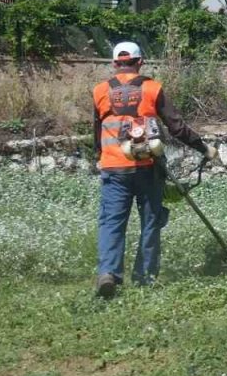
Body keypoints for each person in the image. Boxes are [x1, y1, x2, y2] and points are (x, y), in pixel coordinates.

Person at [92, 41, 218, 298]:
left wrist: (99, 156)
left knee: (112, 222)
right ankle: (145, 279)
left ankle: (108, 273)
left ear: (114, 63)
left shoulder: (100, 91)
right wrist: (204, 148)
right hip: (148, 168)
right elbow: (177, 127)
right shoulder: (152, 88)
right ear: (140, 62)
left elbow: (96, 131)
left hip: (113, 168)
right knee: (150, 221)